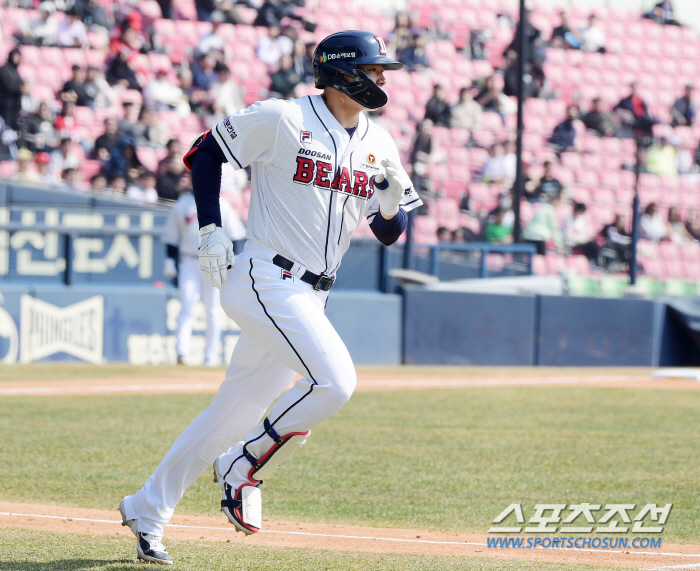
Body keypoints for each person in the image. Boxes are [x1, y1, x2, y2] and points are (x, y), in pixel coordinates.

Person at [118, 30, 421, 565]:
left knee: (229, 415)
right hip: (266, 276)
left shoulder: (380, 142)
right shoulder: (284, 118)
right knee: (335, 382)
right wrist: (211, 229)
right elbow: (205, 153)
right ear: (342, 73)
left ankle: (147, 508)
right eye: (373, 70)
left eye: (382, 71)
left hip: (313, 295)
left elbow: (388, 233)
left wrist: (394, 209)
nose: (380, 79)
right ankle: (243, 466)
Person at [523, 191, 564, 255]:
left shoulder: (541, 207)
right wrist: (559, 245)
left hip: (528, 236)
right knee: (539, 259)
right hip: (539, 238)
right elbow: (554, 229)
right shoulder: (550, 210)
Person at [0, 49, 23, 130]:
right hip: (5, 106)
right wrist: (20, 88)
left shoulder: (15, 71)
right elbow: (8, 85)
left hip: (14, 107)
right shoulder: (4, 70)